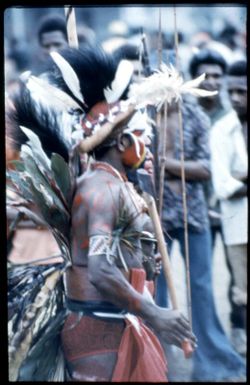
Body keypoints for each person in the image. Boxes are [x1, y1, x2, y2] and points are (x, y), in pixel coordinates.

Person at [8, 45, 196, 382]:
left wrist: (142, 259)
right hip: (102, 333)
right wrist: (156, 313)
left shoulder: (116, 183)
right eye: (143, 138)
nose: (148, 148)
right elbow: (100, 268)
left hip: (118, 322)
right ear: (122, 143)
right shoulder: (101, 190)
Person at [154, 91, 246, 380]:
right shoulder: (143, 115)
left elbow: (205, 168)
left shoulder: (195, 116)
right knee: (155, 293)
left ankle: (210, 362)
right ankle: (155, 362)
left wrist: (165, 165)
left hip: (193, 214)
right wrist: (170, 168)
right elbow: (139, 165)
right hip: (154, 216)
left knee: (202, 289)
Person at [189, 49, 246, 355]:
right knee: (202, 278)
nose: (211, 81)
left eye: (216, 76)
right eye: (205, 75)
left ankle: (238, 328)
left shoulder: (230, 116)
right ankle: (207, 336)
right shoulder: (186, 115)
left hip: (231, 209)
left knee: (237, 270)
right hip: (200, 209)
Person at [209, 59, 247, 355]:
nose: (235, 98)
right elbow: (223, 184)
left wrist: (241, 178)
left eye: (242, 92)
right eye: (231, 91)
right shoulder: (221, 130)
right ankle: (239, 333)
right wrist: (236, 181)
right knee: (240, 285)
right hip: (238, 220)